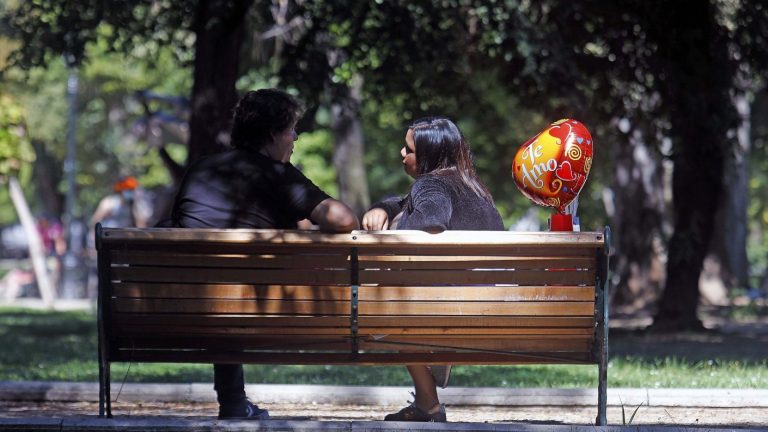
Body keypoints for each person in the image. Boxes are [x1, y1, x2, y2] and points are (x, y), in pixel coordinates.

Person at [167, 88, 359, 420]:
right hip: (265, 308)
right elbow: (344, 220)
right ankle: (233, 401)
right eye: (290, 129)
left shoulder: (201, 170)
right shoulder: (276, 174)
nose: (295, 137)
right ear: (272, 134)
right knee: (233, 293)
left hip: (184, 307)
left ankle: (232, 401)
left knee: (221, 290)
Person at [362, 116, 504, 422]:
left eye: (408, 149)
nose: (402, 154)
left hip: (446, 307)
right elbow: (406, 200)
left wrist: (395, 227)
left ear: (428, 156)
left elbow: (430, 219)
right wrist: (385, 208)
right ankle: (428, 403)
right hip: (487, 305)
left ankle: (433, 369)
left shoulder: (431, 184)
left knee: (379, 305)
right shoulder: (476, 190)